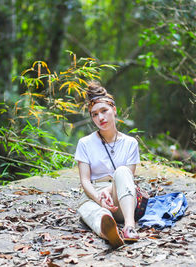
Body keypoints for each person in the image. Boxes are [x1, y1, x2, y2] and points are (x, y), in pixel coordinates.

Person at [75, 81, 141, 248]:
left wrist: (108, 191)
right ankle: (108, 231)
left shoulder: (130, 143)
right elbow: (85, 181)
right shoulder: (85, 143)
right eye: (95, 114)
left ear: (114, 110)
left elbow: (128, 178)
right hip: (94, 196)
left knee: (122, 171)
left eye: (104, 111)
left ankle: (129, 227)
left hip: (121, 197)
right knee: (91, 211)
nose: (100, 118)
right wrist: (99, 198)